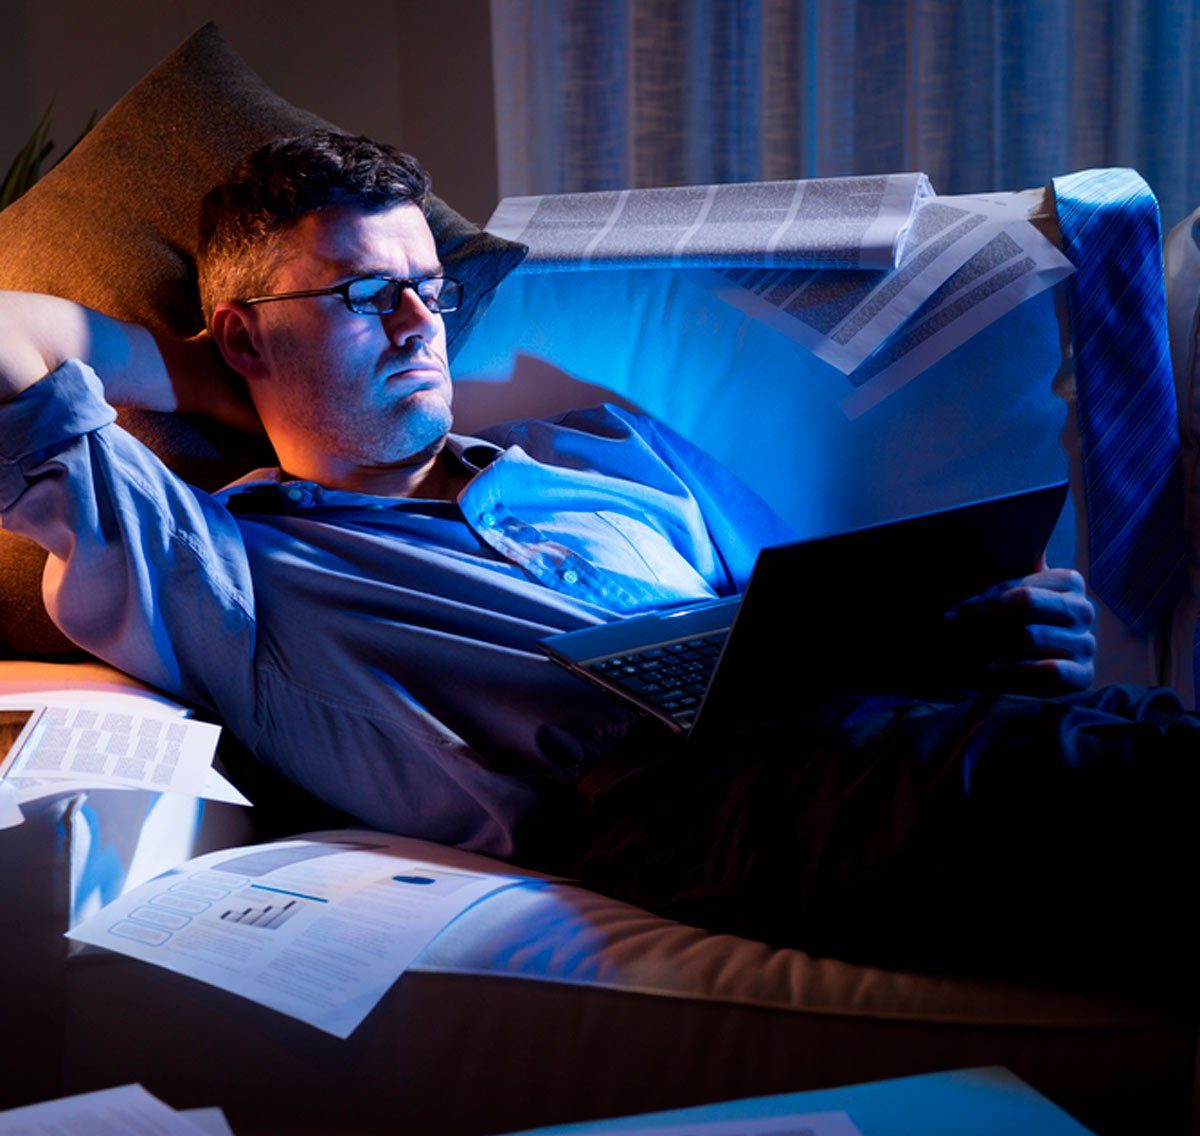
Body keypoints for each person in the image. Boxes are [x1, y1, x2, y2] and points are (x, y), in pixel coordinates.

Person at [0, 131, 1190, 987]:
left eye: (428, 291)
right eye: (370, 296)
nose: (422, 329)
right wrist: (219, 379)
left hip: (878, 736)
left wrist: (979, 641)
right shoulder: (228, 566)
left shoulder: (606, 450)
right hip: (685, 814)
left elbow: (803, 623)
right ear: (247, 332)